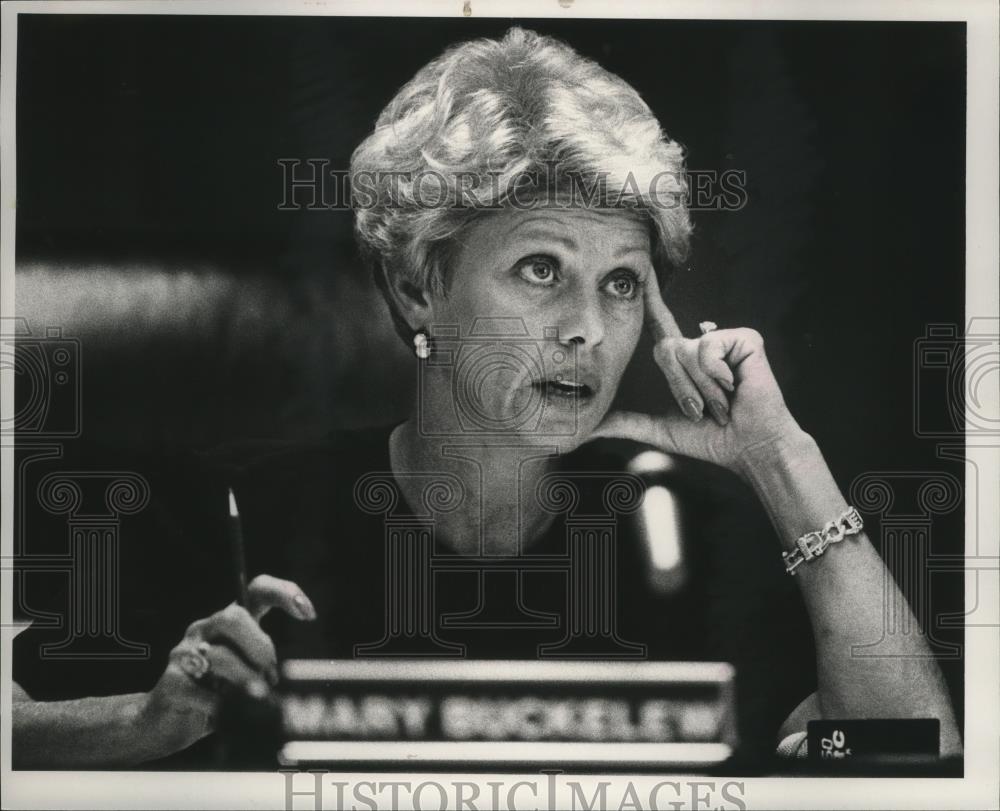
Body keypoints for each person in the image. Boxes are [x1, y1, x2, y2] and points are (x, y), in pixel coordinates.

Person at [12, 26, 960, 768]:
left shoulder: (698, 535)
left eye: (622, 281)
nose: (589, 326)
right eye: (541, 268)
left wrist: (782, 458)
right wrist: (145, 724)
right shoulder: (232, 522)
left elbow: (910, 755)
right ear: (419, 285)